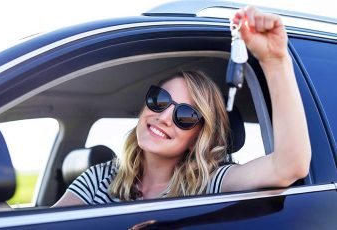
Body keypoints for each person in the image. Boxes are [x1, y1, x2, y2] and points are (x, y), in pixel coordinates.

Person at [52, 6, 311, 207]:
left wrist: (275, 60)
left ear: (197, 137)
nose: (164, 116)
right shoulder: (101, 178)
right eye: (160, 100)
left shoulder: (208, 184)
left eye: (185, 115)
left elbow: (289, 166)